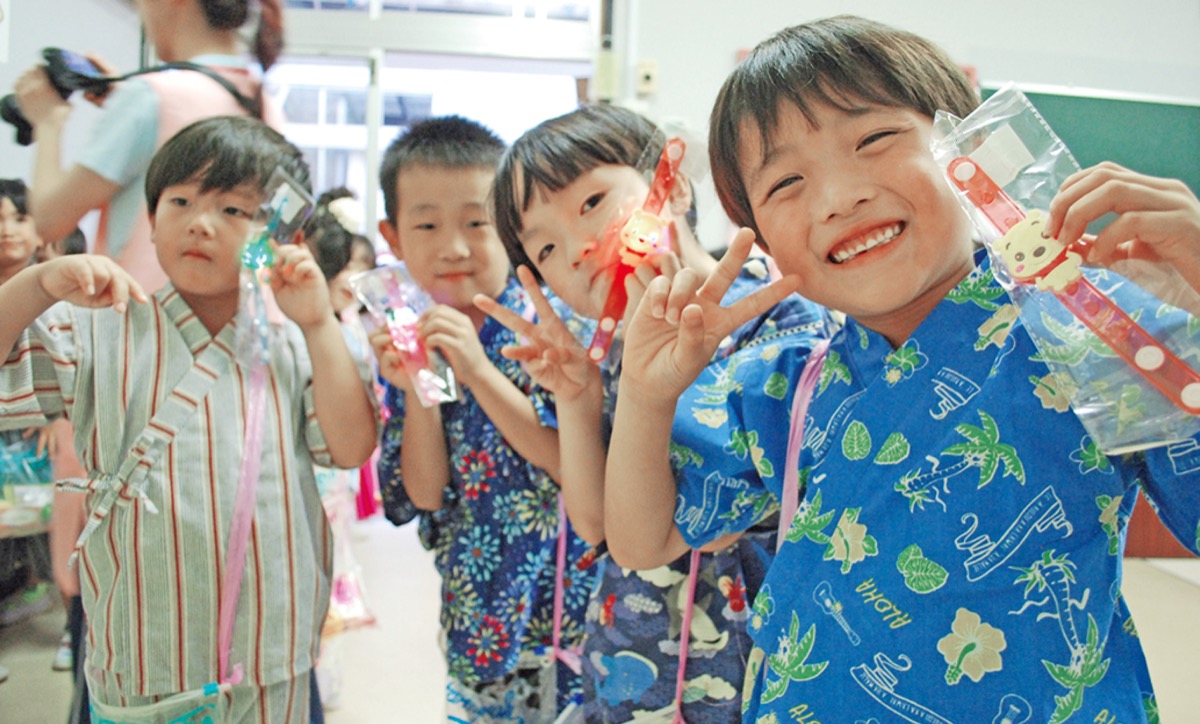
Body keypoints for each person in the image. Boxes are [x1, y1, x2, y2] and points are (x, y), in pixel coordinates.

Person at [604, 15, 1200, 723]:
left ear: (967, 149)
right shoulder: (781, 384)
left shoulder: (1089, 334)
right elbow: (646, 540)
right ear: (760, 240)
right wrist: (645, 394)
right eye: (786, 182)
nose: (837, 197)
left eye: (874, 139)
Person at [0, 115, 379, 722]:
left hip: (271, 663)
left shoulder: (304, 340)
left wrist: (314, 323)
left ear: (280, 233)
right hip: (144, 655)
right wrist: (39, 284)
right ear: (151, 221)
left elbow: (352, 446)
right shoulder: (97, 328)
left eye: (235, 210)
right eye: (181, 200)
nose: (201, 222)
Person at [480, 103, 829, 721]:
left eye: (592, 203)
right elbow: (596, 526)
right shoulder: (602, 356)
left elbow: (716, 521)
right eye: (548, 249)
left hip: (756, 670)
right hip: (630, 666)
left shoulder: (774, 313)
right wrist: (579, 395)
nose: (582, 248)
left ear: (671, 182)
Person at [372, 115, 594, 721]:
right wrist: (421, 390)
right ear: (392, 237)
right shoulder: (413, 342)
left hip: (580, 627)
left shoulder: (555, 324)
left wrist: (476, 369)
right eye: (426, 225)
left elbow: (576, 467)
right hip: (480, 627)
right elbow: (424, 491)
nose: (454, 247)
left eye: (476, 222)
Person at [13, 0, 285, 292]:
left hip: (144, 315)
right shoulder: (264, 104)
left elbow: (49, 220)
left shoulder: (150, 98)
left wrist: (48, 121)